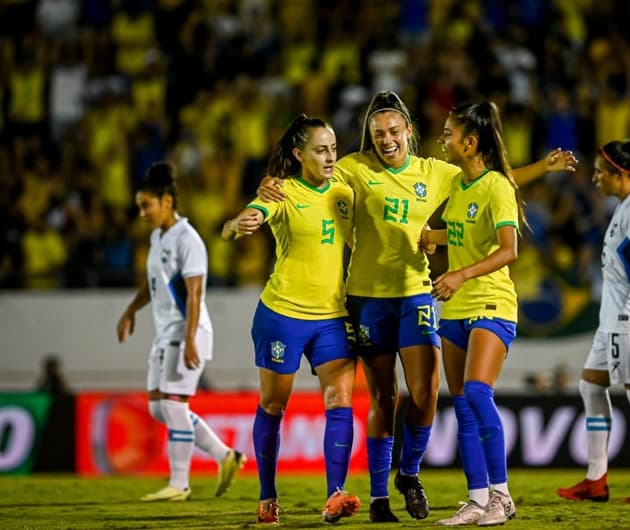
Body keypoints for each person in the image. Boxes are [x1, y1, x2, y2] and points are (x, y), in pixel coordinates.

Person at [258, 91, 576, 522]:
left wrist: (544, 167)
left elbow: (491, 182)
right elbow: (312, 178)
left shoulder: (436, 172)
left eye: (393, 131)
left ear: (408, 130)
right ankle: (378, 499)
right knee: (384, 398)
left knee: (425, 394)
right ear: (370, 138)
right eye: (378, 134)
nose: (386, 139)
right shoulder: (353, 168)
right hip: (367, 299)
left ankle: (408, 474)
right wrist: (272, 183)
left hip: (416, 295)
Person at [221, 115, 361, 525]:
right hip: (282, 316)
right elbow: (235, 226)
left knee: (340, 400)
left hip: (333, 317)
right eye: (321, 149)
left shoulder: (344, 192)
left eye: (334, 148)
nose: (330, 156)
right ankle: (267, 498)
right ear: (299, 155)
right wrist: (238, 224)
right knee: (274, 404)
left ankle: (335, 495)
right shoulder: (280, 191)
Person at [116, 162, 245, 502]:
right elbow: (153, 284)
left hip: (187, 329)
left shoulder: (189, 240)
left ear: (167, 202)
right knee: (160, 408)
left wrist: (190, 339)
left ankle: (180, 483)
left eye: (147, 206)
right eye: (139, 206)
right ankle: (224, 456)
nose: (142, 213)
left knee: (174, 405)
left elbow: (196, 292)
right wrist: (131, 309)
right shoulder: (158, 237)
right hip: (165, 332)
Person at [419, 102, 521, 526]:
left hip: (492, 302)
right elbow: (462, 234)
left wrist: (459, 273)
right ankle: (477, 500)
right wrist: (433, 237)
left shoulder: (496, 186)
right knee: (461, 405)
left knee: (478, 392)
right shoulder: (458, 187)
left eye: (448, 133)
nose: (443, 139)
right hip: (455, 307)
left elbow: (509, 248)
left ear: (471, 141)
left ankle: (502, 496)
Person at [556, 137, 630, 504]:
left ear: (620, 174)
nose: (595, 179)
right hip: (613, 319)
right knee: (590, 386)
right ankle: (596, 480)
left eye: (601, 173)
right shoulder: (624, 206)